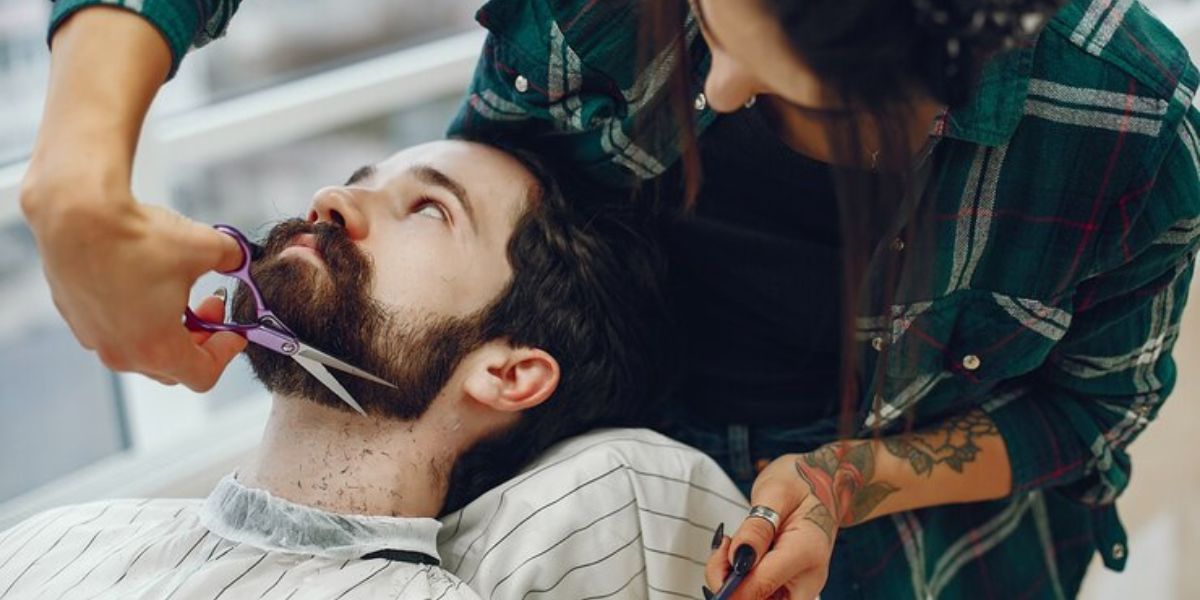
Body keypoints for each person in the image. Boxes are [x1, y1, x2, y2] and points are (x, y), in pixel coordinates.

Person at [19, 0, 1200, 598]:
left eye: (784, 80)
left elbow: (1087, 416)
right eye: (702, 18)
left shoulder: (1128, 126)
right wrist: (75, 184)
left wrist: (852, 478)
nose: (715, 88)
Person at [0, 139, 750, 599]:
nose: (331, 198)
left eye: (428, 209)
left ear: (509, 373)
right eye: (362, 178)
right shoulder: (54, 537)